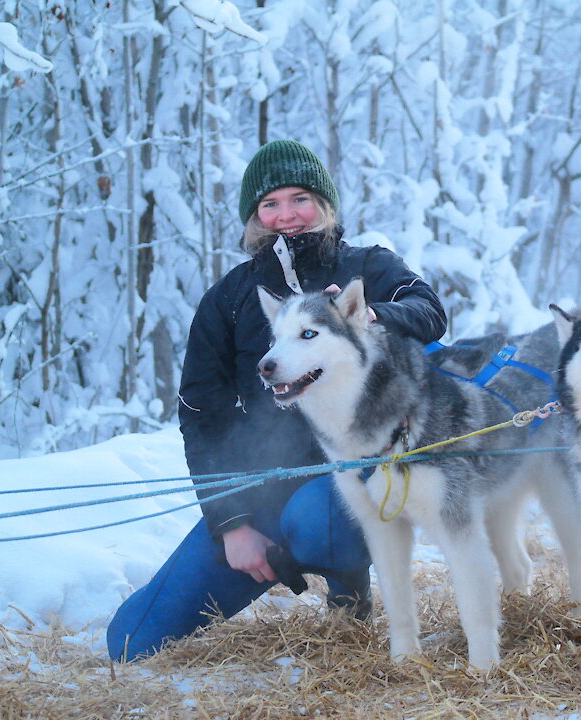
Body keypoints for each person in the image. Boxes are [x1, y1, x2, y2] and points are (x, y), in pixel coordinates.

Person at [107, 139, 447, 662]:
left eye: (300, 199)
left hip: (354, 474)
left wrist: (368, 316)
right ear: (254, 216)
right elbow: (201, 417)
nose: (286, 215)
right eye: (270, 204)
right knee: (131, 643)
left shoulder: (366, 267)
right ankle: (270, 545)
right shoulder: (230, 298)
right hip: (261, 489)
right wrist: (232, 524)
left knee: (322, 525)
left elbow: (429, 312)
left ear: (325, 205)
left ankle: (349, 597)